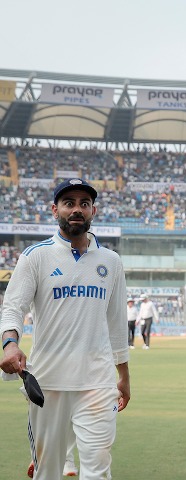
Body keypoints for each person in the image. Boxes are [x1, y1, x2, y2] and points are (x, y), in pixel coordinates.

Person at [0, 178, 130, 479]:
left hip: (97, 383)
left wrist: (123, 376)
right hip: (48, 383)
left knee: (97, 471)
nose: (77, 210)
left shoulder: (111, 261)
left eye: (84, 204)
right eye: (69, 203)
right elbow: (13, 307)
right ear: (54, 209)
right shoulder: (36, 256)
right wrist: (10, 343)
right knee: (48, 471)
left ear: (93, 211)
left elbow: (116, 323)